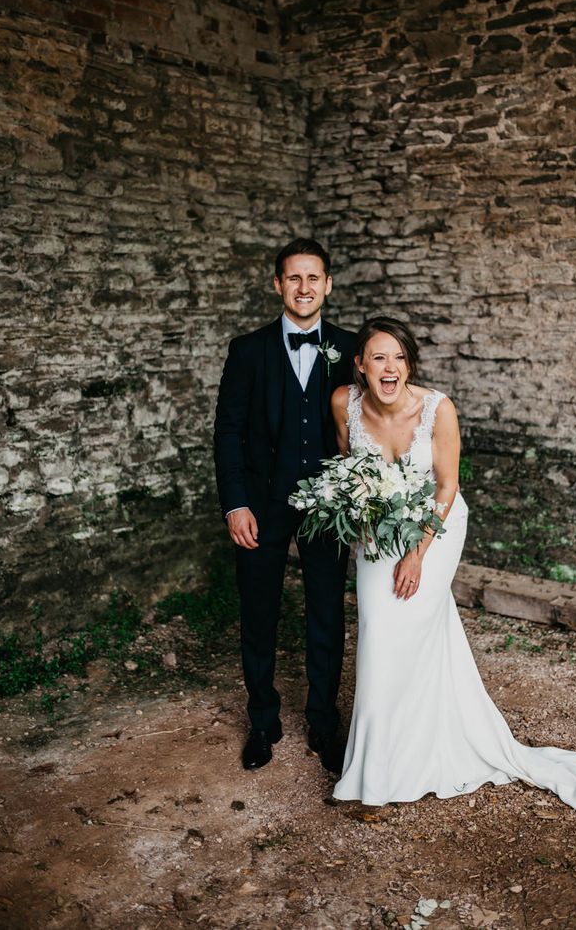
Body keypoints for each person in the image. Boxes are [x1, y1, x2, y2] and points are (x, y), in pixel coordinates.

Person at [329, 316, 576, 855]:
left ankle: (388, 771)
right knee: (377, 632)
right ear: (361, 365)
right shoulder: (343, 403)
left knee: (408, 625)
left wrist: (416, 553)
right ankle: (378, 763)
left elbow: (447, 486)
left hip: (434, 528)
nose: (388, 368)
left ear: (409, 364)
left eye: (398, 358)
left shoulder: (437, 410)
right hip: (377, 532)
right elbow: (351, 470)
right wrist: (365, 518)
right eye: (378, 358)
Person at [214, 239, 356, 774]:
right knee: (258, 612)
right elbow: (227, 430)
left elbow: (366, 425)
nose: (303, 288)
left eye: (313, 278)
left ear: (328, 284)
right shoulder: (247, 350)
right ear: (278, 285)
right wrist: (235, 504)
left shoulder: (349, 348)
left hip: (328, 504)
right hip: (261, 503)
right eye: (293, 279)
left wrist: (363, 497)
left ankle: (323, 722)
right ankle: (262, 720)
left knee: (325, 611)